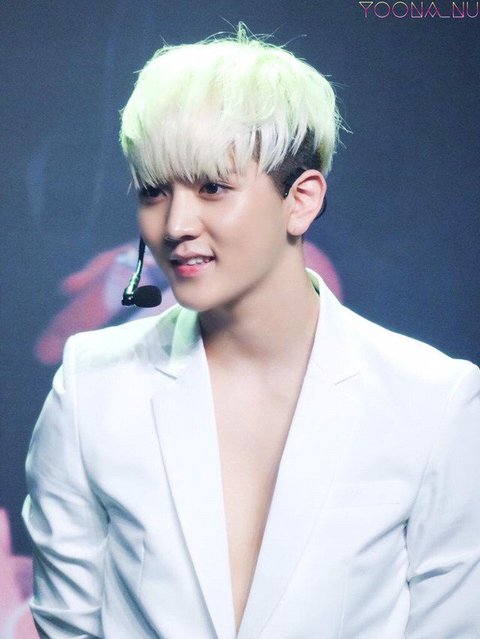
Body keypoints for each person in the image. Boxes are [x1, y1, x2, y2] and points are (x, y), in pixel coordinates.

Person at [22, 24, 480, 639]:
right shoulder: (92, 386)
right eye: (155, 191)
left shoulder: (432, 398)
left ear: (301, 199)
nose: (176, 224)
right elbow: (67, 626)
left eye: (212, 187)